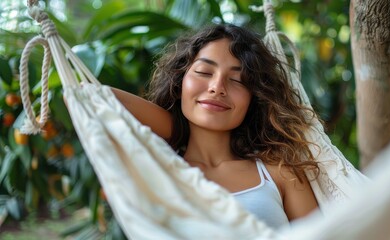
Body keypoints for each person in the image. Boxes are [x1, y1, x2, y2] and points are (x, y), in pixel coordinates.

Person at [111, 24, 319, 229]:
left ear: (255, 97)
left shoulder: (279, 172)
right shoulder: (159, 170)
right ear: (179, 82)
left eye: (238, 80)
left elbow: (325, 234)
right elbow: (98, 97)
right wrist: (177, 125)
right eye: (203, 72)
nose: (217, 88)